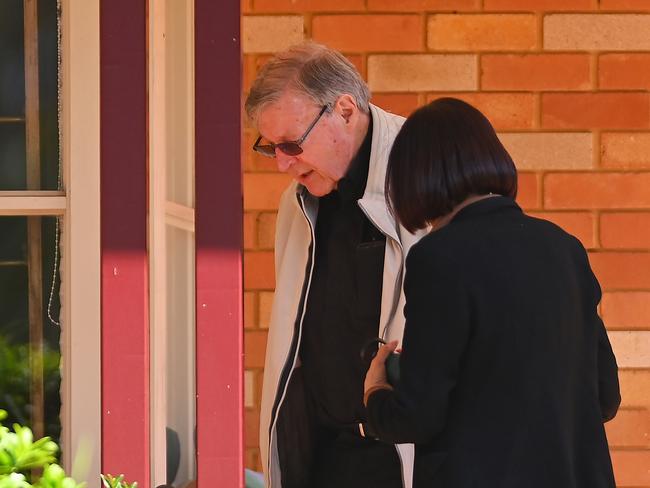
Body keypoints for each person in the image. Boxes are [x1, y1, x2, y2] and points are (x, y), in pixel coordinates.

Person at [363, 97, 621, 487]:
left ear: (413, 176)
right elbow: (605, 396)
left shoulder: (439, 257)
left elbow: (417, 414)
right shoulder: (564, 247)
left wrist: (376, 394)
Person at [245, 42, 426, 488]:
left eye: (291, 144)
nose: (284, 164)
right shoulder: (299, 201)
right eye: (271, 149)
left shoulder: (428, 173)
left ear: (344, 110)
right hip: (326, 456)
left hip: (407, 457)